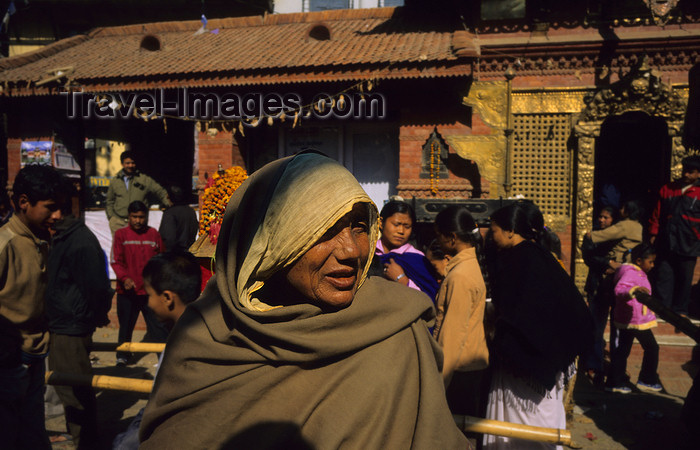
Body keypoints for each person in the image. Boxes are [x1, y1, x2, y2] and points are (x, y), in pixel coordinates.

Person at [139, 152, 468, 449]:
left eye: (358, 227)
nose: (351, 250)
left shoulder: (395, 328)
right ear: (269, 242)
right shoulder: (206, 335)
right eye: (324, 230)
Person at [484, 202, 593, 449]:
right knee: (542, 422)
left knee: (523, 431)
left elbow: (518, 314)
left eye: (494, 230)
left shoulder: (517, 260)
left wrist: (500, 332)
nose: (492, 236)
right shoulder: (542, 257)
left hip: (525, 365)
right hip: (545, 363)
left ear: (510, 230)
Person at [0, 165, 65, 450]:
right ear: (23, 202)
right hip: (8, 360)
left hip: (37, 353)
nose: (58, 215)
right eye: (50, 207)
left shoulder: (41, 240)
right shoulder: (5, 245)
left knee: (31, 430)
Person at [112, 251, 202, 450]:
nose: (148, 302)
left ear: (168, 298)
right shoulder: (195, 331)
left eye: (149, 294)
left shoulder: (185, 348)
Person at [46, 185, 113, 449]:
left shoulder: (79, 241)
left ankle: (86, 442)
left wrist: (94, 316)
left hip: (71, 326)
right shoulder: (63, 237)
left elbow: (97, 287)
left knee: (74, 389)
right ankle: (79, 436)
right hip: (64, 323)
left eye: (53, 208)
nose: (50, 215)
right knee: (70, 388)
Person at [432, 205, 490, 420]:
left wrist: (439, 383)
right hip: (470, 367)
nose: (437, 242)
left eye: (439, 236)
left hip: (459, 372)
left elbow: (453, 335)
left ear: (452, 238)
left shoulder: (460, 276)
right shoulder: (472, 266)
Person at [111, 200, 168, 366]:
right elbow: (116, 261)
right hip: (127, 292)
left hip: (149, 292)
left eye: (141, 217)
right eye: (134, 217)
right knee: (126, 327)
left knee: (158, 327)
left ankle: (163, 358)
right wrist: (124, 278)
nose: (138, 220)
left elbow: (161, 259)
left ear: (147, 217)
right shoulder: (121, 235)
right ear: (129, 216)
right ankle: (122, 356)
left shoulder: (154, 235)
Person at [605, 243, 662, 394]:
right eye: (650, 261)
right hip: (634, 319)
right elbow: (620, 289)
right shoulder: (631, 273)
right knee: (652, 348)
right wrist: (634, 290)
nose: (652, 265)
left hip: (631, 317)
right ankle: (647, 379)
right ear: (639, 261)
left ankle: (614, 382)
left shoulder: (636, 272)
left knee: (623, 350)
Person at [649, 155, 700, 317]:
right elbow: (657, 214)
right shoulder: (668, 189)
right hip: (667, 240)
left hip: (689, 241)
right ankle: (663, 310)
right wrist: (653, 233)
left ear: (698, 174)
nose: (686, 175)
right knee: (664, 275)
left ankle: (680, 311)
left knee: (685, 278)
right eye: (685, 171)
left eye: (691, 172)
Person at [581, 206, 618, 383]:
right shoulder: (592, 236)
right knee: (596, 327)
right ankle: (593, 365)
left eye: (606, 218)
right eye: (600, 216)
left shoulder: (619, 238)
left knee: (618, 330)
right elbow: (589, 257)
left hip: (618, 287)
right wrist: (608, 263)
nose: (602, 220)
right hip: (597, 286)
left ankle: (616, 369)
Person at [375, 200, 439, 299]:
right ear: (381, 223)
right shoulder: (368, 253)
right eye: (396, 224)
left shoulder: (417, 259)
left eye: (407, 226)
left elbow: (428, 297)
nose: (401, 231)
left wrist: (402, 279)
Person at [105, 150, 171, 236]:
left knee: (137, 248)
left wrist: (170, 205)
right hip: (118, 222)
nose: (130, 165)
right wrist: (111, 217)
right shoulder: (115, 181)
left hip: (138, 223)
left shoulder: (144, 179)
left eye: (133, 163)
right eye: (127, 163)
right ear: (122, 164)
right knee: (118, 248)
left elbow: (160, 191)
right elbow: (109, 201)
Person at [158, 185, 198, 253]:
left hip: (175, 256)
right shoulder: (191, 211)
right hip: (189, 254)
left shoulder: (170, 213)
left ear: (169, 197)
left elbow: (169, 238)